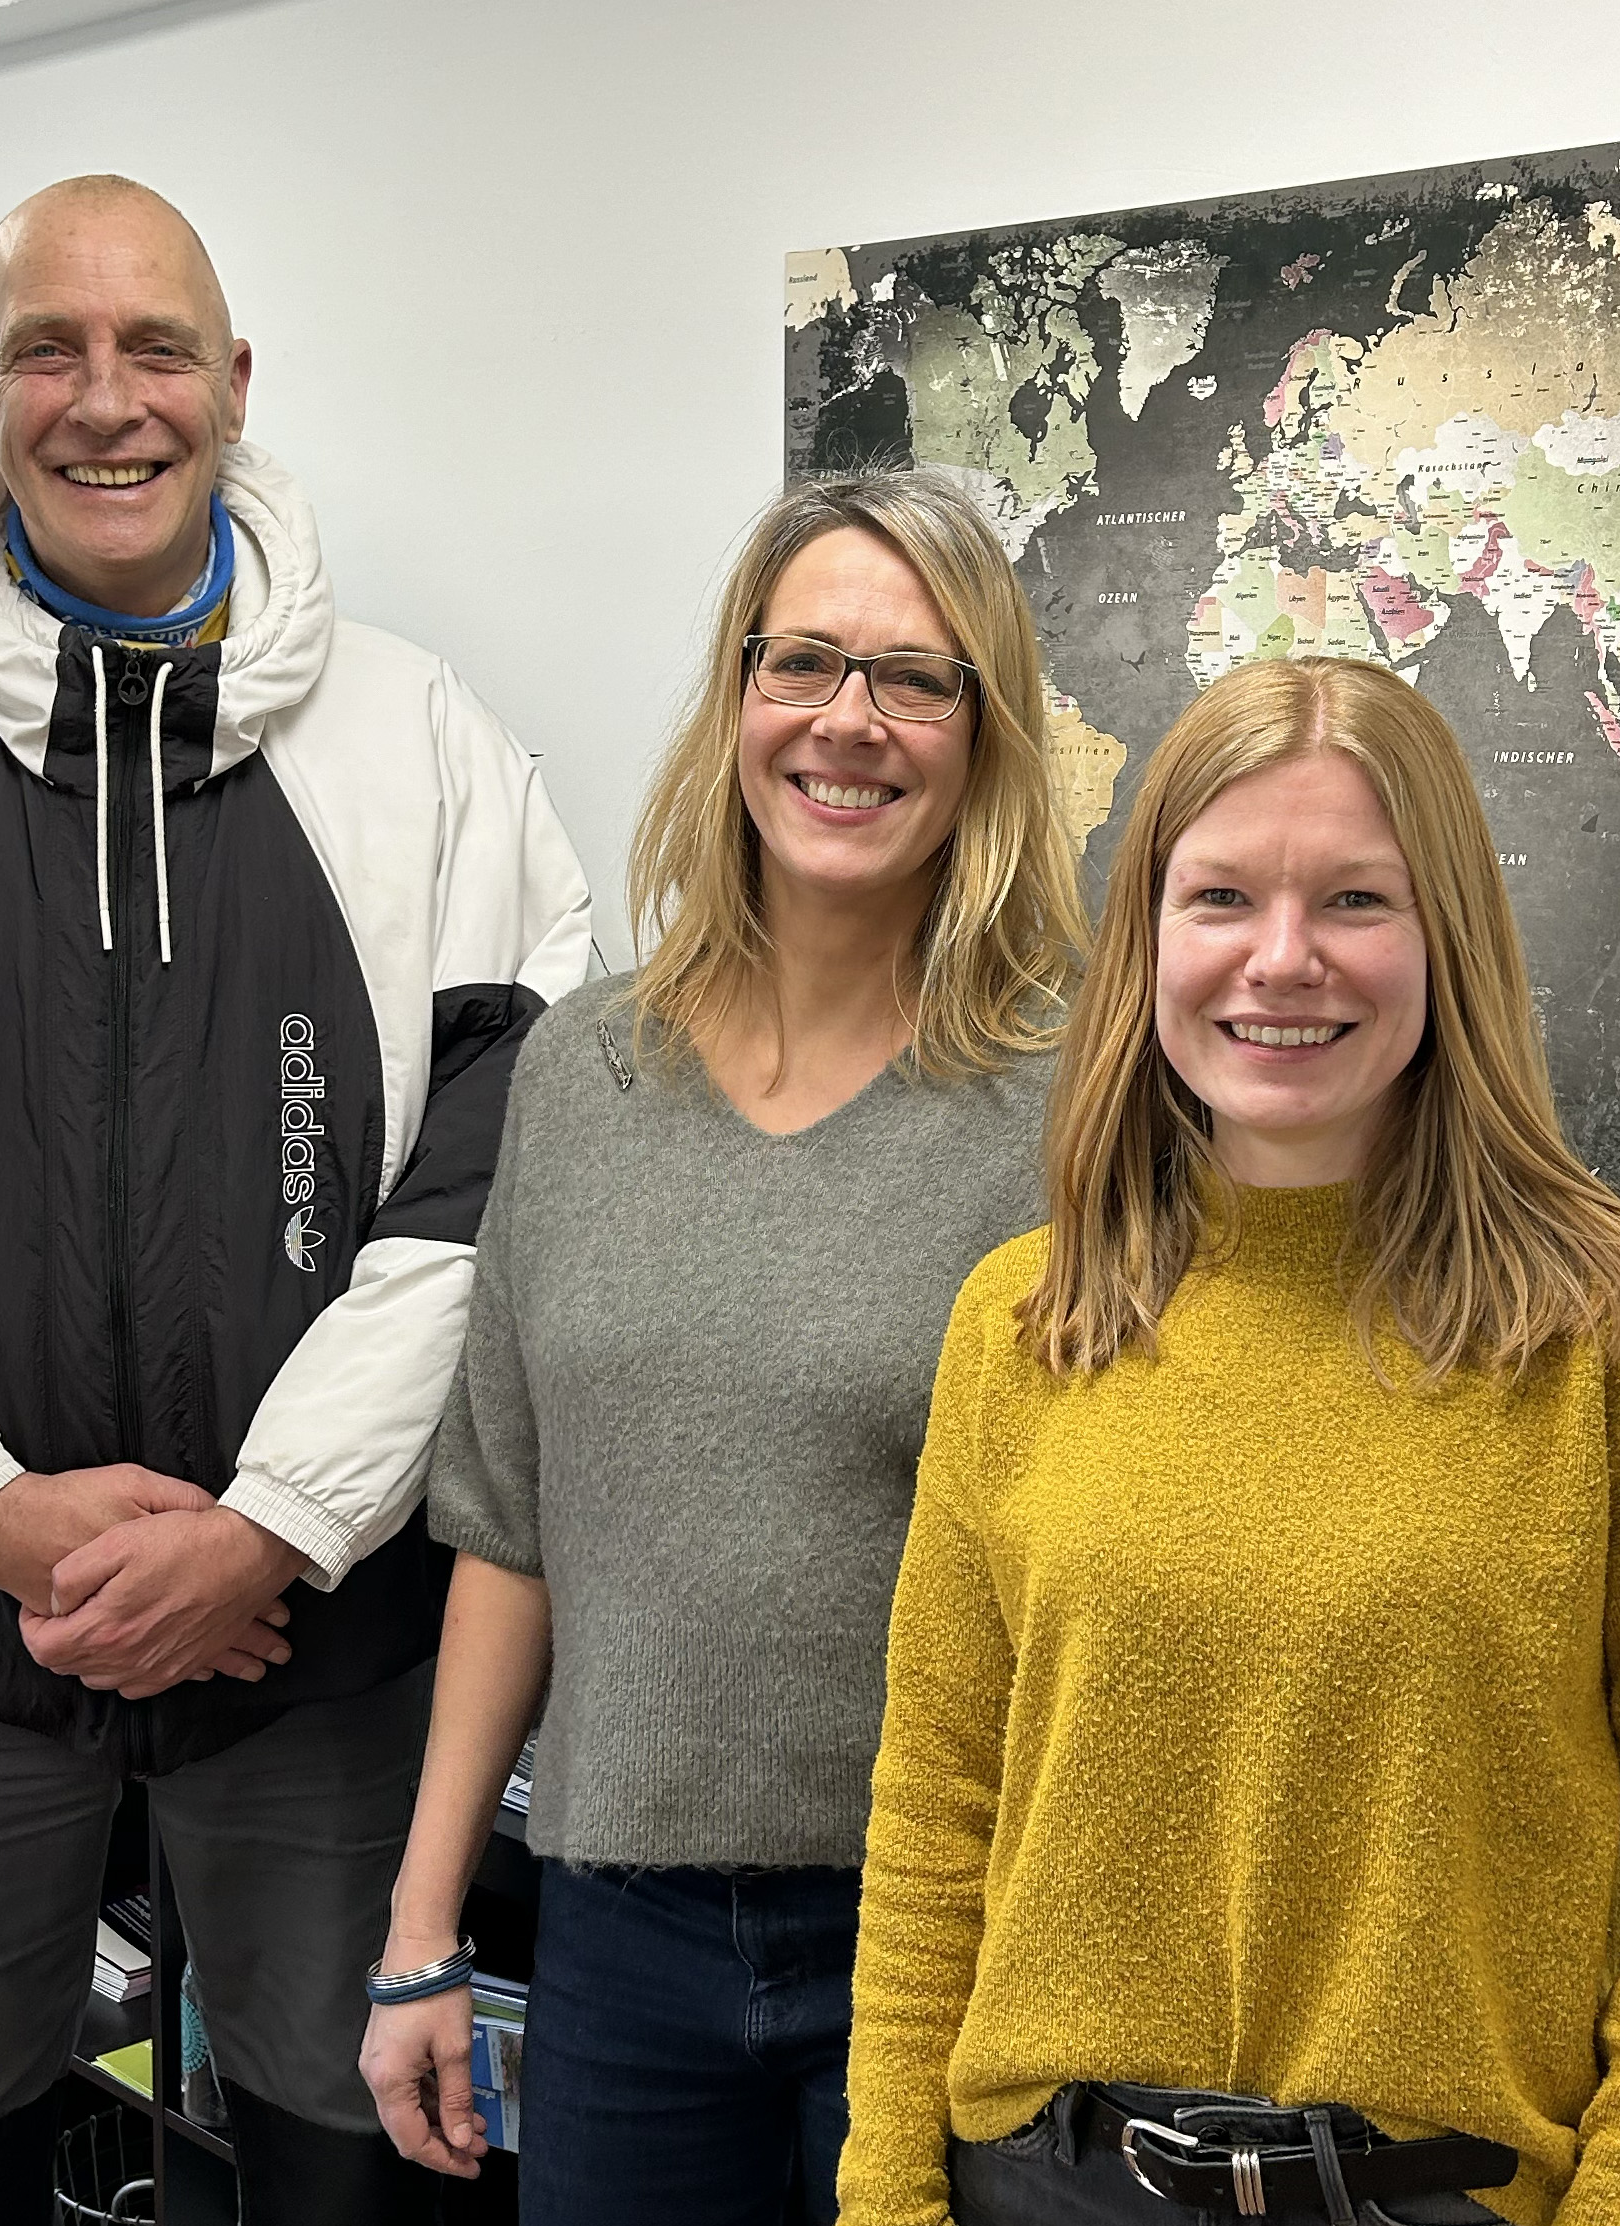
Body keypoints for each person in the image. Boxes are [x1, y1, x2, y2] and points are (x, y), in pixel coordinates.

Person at [0, 175, 589, 2224]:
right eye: (45, 350)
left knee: (352, 2159)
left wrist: (270, 1528)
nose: (104, 398)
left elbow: (496, 1190)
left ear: (233, 380)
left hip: (311, 1651)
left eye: (154, 347)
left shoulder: (425, 743)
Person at [838, 654, 1620, 2226]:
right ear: (1148, 937)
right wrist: (884, 2194)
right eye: (1219, 897)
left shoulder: (1618, 1328)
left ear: (1446, 935)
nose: (1280, 960)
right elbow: (936, 1807)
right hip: (1038, 2183)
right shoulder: (1022, 1319)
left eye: (1354, 899)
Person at [356, 468, 1091, 2223]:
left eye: (913, 678)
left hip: (949, 1933)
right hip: (618, 1936)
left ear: (984, 734)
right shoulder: (582, 1075)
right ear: (738, 693)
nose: (848, 719)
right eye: (804, 660)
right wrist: (421, 1926)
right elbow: (509, 1526)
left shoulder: (1074, 1107)